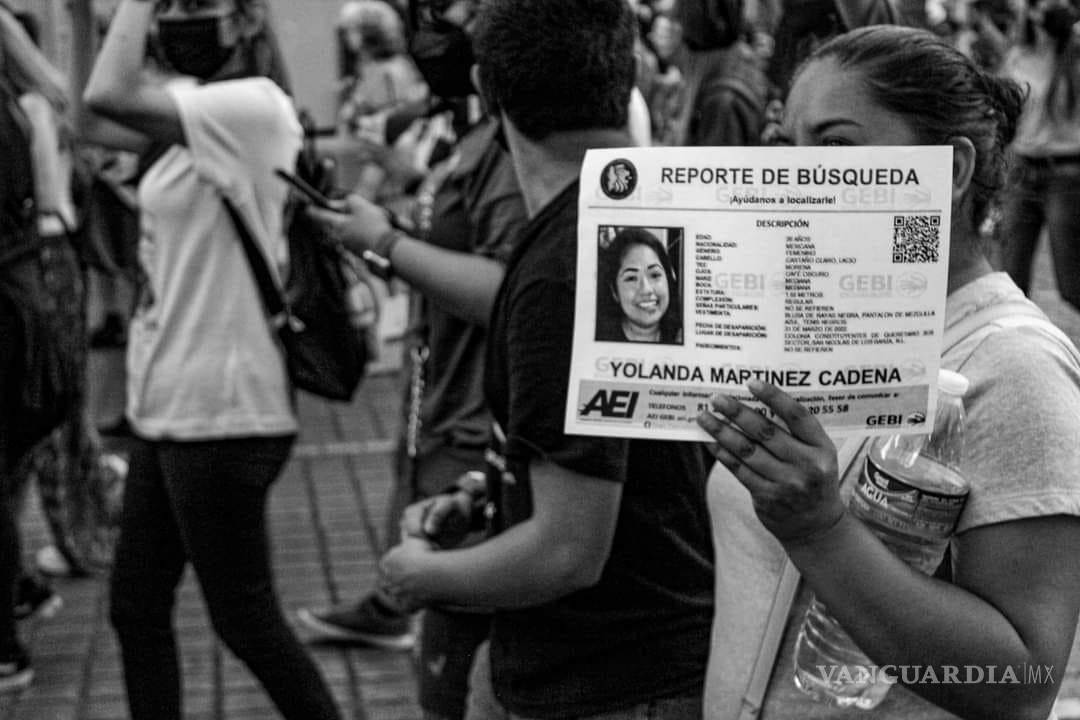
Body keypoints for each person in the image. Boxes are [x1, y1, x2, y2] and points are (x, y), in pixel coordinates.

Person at [698, 25, 1080, 720]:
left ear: (952, 170)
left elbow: (1023, 685)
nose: (796, 175)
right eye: (788, 146)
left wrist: (821, 531)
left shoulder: (1015, 368)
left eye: (836, 146)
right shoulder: (817, 332)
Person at [378, 1, 715, 719]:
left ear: (486, 87)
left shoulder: (563, 270)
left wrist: (422, 575)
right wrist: (488, 490)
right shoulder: (646, 220)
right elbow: (622, 454)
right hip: (643, 662)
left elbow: (567, 551)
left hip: (606, 681)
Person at [81, 2, 342, 719]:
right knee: (136, 607)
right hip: (169, 408)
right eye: (172, 7)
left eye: (199, 5)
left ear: (249, 21)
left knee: (246, 620)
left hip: (224, 412)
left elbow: (108, 96)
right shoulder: (194, 109)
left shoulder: (254, 110)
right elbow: (89, 118)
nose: (180, 19)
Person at [300, 3, 529, 718]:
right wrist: (374, 231)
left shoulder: (509, 150)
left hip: (473, 423)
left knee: (451, 678)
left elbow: (509, 289)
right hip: (435, 399)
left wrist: (389, 244)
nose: (436, 27)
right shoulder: (463, 135)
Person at [994, 0, 1080, 312]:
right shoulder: (1019, 55)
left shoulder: (1075, 52)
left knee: (1072, 286)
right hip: (1022, 171)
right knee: (1011, 282)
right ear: (1030, 11)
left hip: (1067, 175)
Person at [596, 226, 683, 343]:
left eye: (655, 275)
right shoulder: (599, 340)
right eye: (631, 278)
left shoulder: (684, 335)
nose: (646, 289)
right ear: (614, 291)